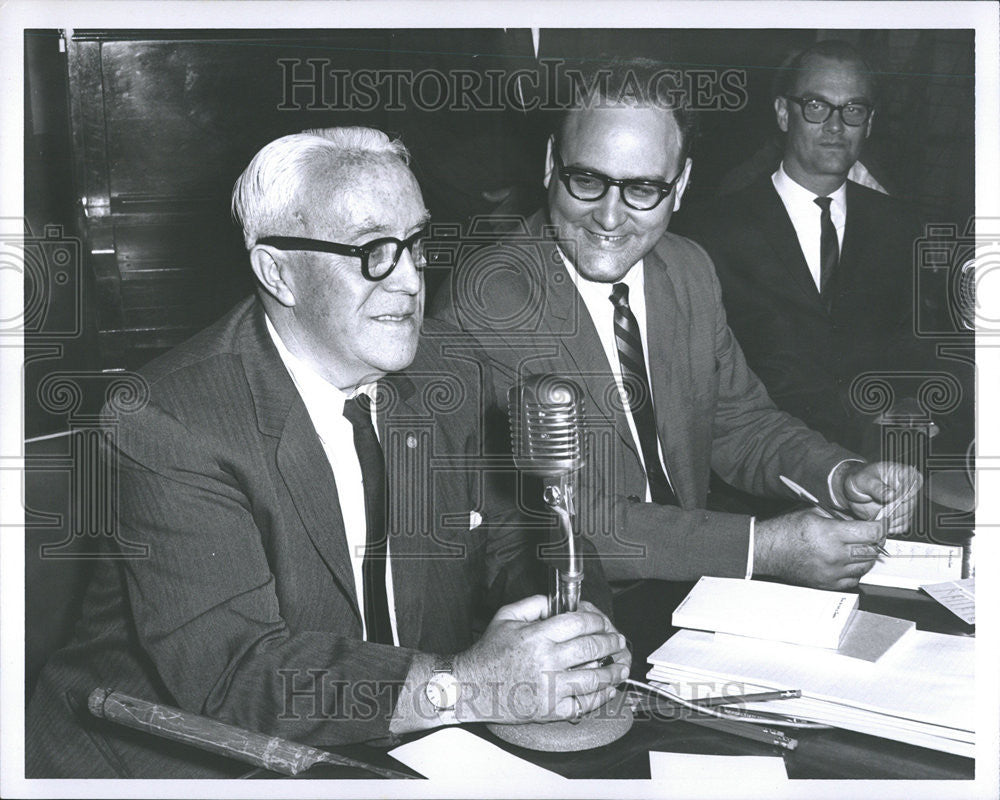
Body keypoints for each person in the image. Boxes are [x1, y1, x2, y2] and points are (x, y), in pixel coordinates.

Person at [25, 127, 629, 778]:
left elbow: (523, 535)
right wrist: (467, 685)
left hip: (389, 735)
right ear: (277, 271)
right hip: (180, 750)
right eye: (372, 249)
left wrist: (576, 627)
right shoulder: (169, 421)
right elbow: (237, 676)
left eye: (417, 243)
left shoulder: (447, 369)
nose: (407, 281)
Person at [431, 58, 921, 591]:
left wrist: (840, 476)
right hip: (576, 606)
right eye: (587, 180)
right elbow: (552, 516)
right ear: (552, 165)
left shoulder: (687, 268)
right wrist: (761, 547)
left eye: (643, 189)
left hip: (693, 587)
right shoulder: (487, 298)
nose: (611, 217)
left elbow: (741, 423)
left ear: (681, 185)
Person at [679, 41, 933, 457]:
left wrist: (911, 402)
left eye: (853, 109)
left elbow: (918, 345)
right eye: (816, 106)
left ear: (869, 123)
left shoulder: (901, 226)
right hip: (756, 471)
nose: (836, 126)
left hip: (880, 464)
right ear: (783, 113)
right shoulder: (712, 230)